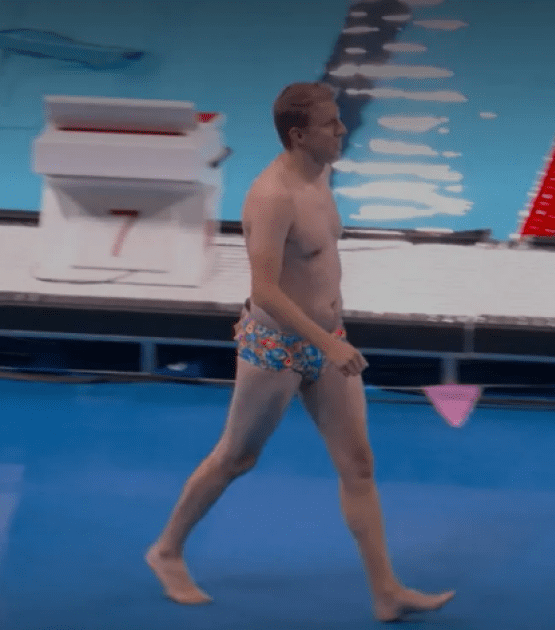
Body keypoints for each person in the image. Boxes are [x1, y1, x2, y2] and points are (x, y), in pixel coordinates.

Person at [145, 82, 454, 622]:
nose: (343, 131)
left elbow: (317, 263)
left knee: (358, 464)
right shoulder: (272, 196)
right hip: (278, 346)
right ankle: (166, 549)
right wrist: (324, 344)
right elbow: (265, 290)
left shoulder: (321, 173)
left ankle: (386, 591)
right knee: (236, 457)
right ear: (298, 134)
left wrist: (331, 336)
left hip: (327, 341)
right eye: (332, 124)